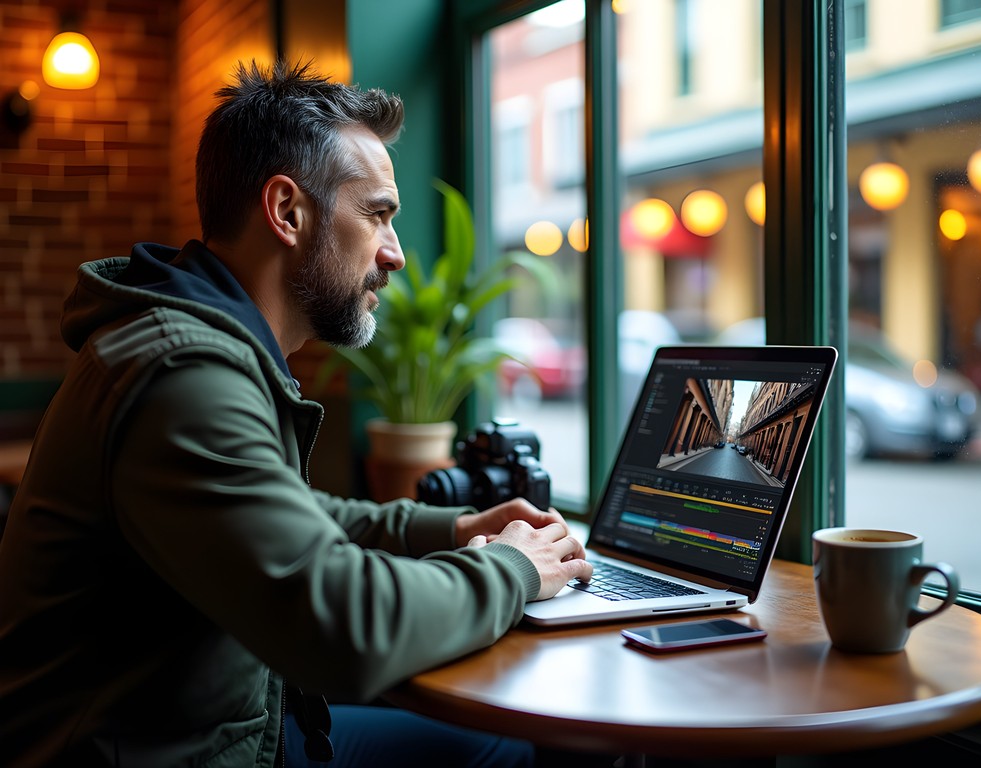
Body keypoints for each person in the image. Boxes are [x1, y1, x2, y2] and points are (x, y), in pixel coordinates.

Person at [0, 59, 593, 767]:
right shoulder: (183, 375)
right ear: (286, 212)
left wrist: (456, 526)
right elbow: (341, 626)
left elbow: (294, 522)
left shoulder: (200, 345)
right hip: (172, 755)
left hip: (211, 730)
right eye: (377, 214)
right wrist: (513, 570)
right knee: (503, 750)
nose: (395, 254)